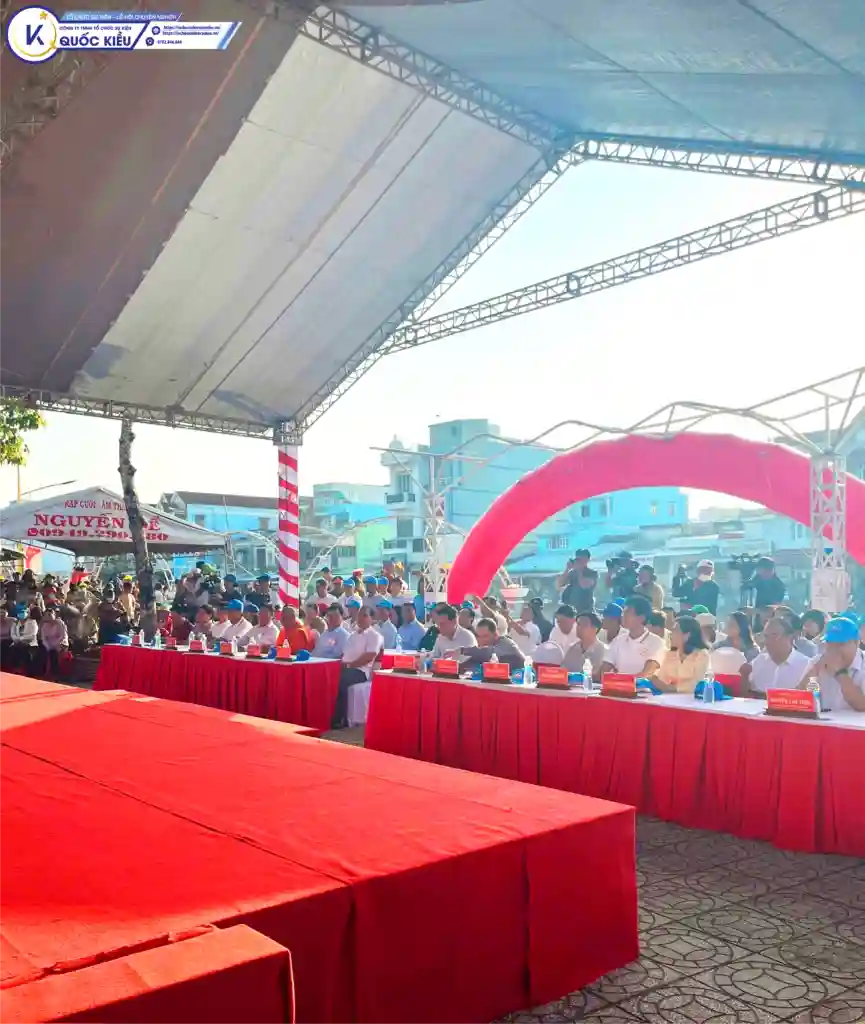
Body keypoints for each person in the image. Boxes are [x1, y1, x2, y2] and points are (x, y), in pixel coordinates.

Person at [331, 606, 384, 729]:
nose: (360, 618)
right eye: (359, 615)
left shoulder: (374, 635)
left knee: (342, 680)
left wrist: (350, 665)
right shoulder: (353, 635)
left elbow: (370, 656)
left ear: (372, 618)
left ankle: (340, 719)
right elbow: (344, 654)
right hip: (346, 667)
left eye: (365, 615)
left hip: (360, 671)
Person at [799, 615, 865, 712]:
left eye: (840, 644)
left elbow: (862, 705)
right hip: (824, 721)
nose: (834, 650)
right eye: (830, 644)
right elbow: (801, 700)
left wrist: (840, 672)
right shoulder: (817, 661)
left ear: (856, 643)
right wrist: (814, 672)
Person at [742, 615, 810, 697]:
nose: (767, 641)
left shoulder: (806, 666)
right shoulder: (758, 661)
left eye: (774, 635)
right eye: (766, 636)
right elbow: (745, 697)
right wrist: (744, 677)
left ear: (789, 637)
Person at [602, 595, 666, 678]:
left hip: (642, 686)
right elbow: (604, 671)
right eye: (623, 612)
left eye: (627, 612)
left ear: (641, 618)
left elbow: (646, 674)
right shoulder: (618, 640)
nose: (623, 616)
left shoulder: (656, 642)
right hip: (618, 685)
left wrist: (620, 679)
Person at [652, 616, 710, 694]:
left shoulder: (702, 655)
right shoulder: (670, 654)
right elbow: (662, 678)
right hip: (669, 697)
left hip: (692, 698)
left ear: (687, 635)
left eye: (675, 631)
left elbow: (698, 682)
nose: (671, 634)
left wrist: (673, 688)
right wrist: (654, 680)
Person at [459, 617, 525, 672]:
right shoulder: (485, 651)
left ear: (495, 635)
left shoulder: (506, 643)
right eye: (479, 636)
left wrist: (462, 650)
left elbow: (488, 652)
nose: (481, 640)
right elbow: (474, 660)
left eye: (485, 636)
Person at [562, 611, 607, 680]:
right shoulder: (572, 649)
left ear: (595, 628)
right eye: (578, 624)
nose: (579, 627)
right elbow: (563, 672)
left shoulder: (604, 651)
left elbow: (598, 677)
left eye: (584, 625)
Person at [556, 549, 597, 614]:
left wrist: (579, 570)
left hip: (586, 609)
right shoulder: (572, 572)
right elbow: (560, 584)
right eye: (577, 559)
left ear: (587, 559)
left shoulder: (592, 573)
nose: (578, 561)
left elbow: (583, 585)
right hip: (571, 608)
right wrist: (567, 569)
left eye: (580, 559)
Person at [38, 606, 68, 677]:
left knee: (54, 654)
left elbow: (63, 636)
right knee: (42, 651)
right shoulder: (44, 626)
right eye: (46, 615)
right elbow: (44, 639)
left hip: (60, 644)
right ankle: (41, 672)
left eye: (50, 614)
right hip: (49, 645)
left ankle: (55, 674)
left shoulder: (60, 623)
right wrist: (48, 647)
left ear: (54, 615)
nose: (48, 616)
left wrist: (55, 645)